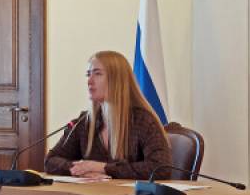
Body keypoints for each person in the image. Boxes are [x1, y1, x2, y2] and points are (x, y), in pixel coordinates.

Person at [44, 50, 171, 179]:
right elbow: (51, 160)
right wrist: (81, 169)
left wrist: (103, 168)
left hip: (129, 192)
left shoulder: (143, 121)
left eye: (97, 74)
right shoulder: (85, 122)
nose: (89, 81)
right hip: (94, 191)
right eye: (88, 74)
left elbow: (161, 168)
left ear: (117, 80)